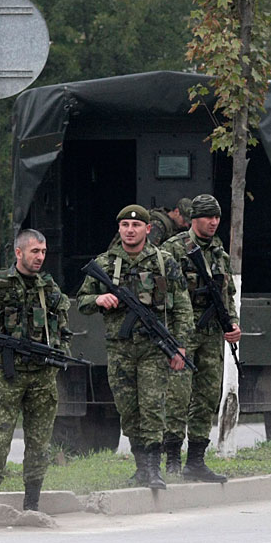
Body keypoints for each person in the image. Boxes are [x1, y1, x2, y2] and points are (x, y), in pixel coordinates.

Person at [77, 206, 193, 489]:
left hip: (154, 349)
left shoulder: (164, 262)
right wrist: (99, 299)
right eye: (125, 225)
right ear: (119, 229)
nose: (130, 230)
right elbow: (82, 300)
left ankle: (154, 469)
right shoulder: (105, 263)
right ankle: (141, 467)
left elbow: (182, 307)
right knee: (128, 410)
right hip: (120, 349)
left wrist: (180, 346)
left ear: (148, 229)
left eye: (136, 225)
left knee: (152, 407)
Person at [0, 229, 72, 511]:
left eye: (43, 252)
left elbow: (63, 330)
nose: (40, 257)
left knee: (39, 442)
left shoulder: (48, 289)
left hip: (41, 377)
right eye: (35, 251)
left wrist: (57, 357)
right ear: (18, 252)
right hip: (7, 376)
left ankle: (32, 504)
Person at [162, 194, 242, 483]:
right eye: (208, 216)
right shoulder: (173, 249)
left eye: (217, 217)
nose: (213, 222)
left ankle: (196, 460)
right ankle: (172, 457)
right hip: (182, 333)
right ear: (194, 218)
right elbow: (163, 292)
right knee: (177, 395)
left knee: (207, 396)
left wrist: (232, 323)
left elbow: (227, 294)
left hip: (210, 334)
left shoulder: (219, 253)